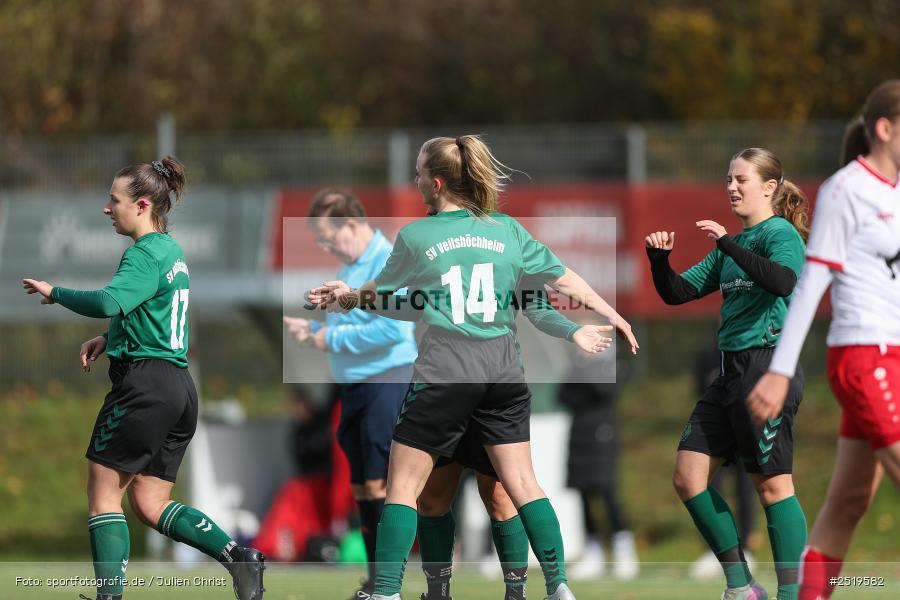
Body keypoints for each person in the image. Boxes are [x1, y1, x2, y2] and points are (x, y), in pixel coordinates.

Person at [309, 134, 638, 600]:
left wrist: (348, 297)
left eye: (419, 174)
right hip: (502, 376)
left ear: (437, 183)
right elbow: (561, 279)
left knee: (403, 486)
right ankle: (558, 586)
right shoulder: (507, 231)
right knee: (519, 485)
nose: (415, 181)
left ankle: (384, 591)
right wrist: (609, 314)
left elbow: (384, 292)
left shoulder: (417, 236)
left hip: (446, 374)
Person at [22, 157, 264, 600]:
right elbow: (150, 311)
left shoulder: (143, 253)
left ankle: (109, 596)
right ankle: (238, 558)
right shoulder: (170, 250)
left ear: (142, 205)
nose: (107, 208)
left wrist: (55, 292)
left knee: (103, 495)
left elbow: (108, 301)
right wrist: (109, 338)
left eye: (114, 200)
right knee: (151, 504)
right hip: (178, 387)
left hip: (145, 386)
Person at [747, 80, 900, 600]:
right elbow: (813, 281)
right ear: (885, 129)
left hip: (893, 357)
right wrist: (779, 369)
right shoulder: (845, 189)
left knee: (849, 503)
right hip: (862, 357)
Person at [645, 147, 810, 600]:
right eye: (728, 180)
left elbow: (782, 281)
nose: (732, 187)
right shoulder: (730, 246)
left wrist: (728, 244)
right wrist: (659, 261)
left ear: (769, 187)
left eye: (741, 180)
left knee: (772, 487)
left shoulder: (779, 233)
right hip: (729, 374)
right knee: (688, 475)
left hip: (768, 367)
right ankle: (741, 586)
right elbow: (678, 293)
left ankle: (791, 594)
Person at [412, 277, 614, 600]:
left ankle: (528, 590)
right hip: (445, 384)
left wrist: (572, 329)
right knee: (434, 497)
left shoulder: (511, 251)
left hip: (493, 388)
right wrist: (357, 298)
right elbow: (401, 298)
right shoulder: (431, 252)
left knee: (505, 493)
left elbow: (548, 287)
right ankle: (437, 592)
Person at [284, 188, 418, 599]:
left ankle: (388, 584)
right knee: (362, 487)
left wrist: (328, 340)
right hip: (355, 388)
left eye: (329, 238)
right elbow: (352, 327)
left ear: (354, 224)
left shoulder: (388, 261)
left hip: (386, 381)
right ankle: (377, 581)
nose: (327, 247)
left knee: (382, 485)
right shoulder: (350, 266)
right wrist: (315, 331)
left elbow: (392, 330)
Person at [559, 350, 639, 582]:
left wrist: (584, 377)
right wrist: (584, 381)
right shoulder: (577, 365)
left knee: (607, 492)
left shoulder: (611, 363)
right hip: (579, 435)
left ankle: (623, 549)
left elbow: (605, 390)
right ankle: (593, 551)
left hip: (603, 434)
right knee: (583, 494)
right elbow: (563, 395)